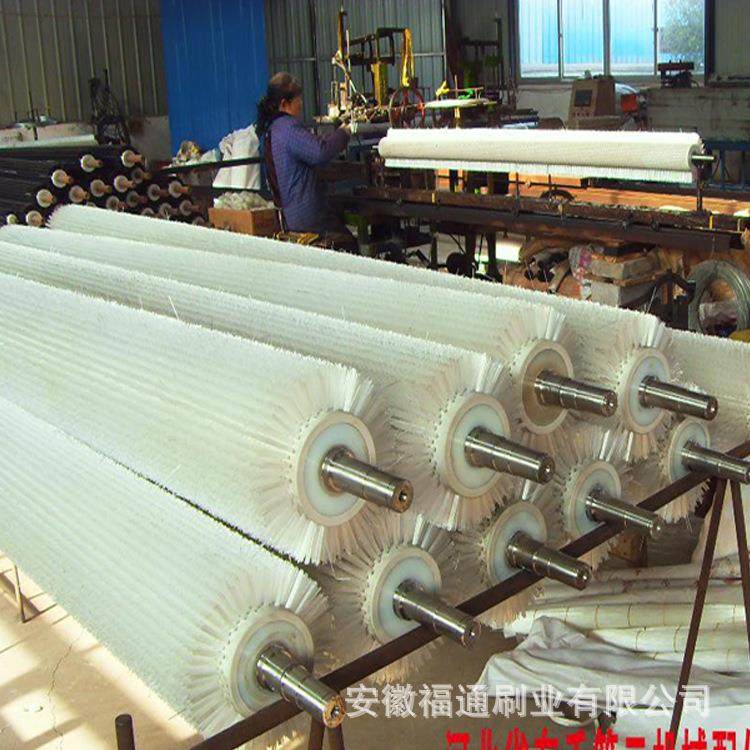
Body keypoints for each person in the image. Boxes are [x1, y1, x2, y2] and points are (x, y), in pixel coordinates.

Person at [256, 72, 357, 252]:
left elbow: (310, 146)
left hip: (290, 215)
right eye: (298, 99)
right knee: (349, 245)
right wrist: (344, 133)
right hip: (306, 217)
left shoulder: (272, 129)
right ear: (284, 103)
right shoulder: (287, 128)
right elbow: (320, 152)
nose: (301, 104)